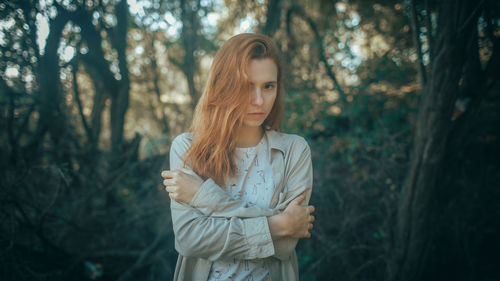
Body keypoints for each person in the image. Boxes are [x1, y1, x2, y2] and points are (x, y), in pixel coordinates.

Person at [161, 33, 315, 281]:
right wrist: (278, 225)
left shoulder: (294, 150)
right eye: (246, 86)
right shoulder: (188, 147)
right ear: (223, 86)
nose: (258, 101)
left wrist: (205, 197)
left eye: (268, 86)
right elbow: (190, 240)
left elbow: (286, 246)